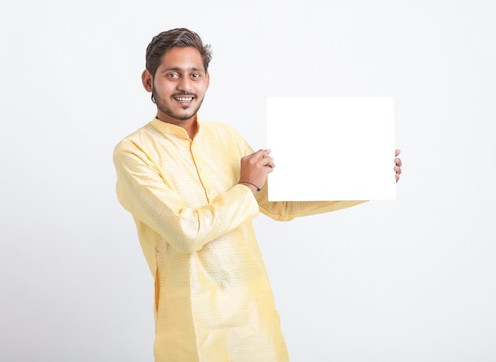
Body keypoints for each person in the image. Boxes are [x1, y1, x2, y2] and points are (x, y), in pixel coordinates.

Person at [113, 28, 402, 362]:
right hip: (192, 325)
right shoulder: (134, 152)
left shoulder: (227, 138)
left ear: (207, 80)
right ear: (149, 81)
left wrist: (367, 178)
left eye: (194, 74)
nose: (185, 86)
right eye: (172, 75)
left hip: (253, 315)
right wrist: (246, 186)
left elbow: (278, 203)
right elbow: (186, 232)